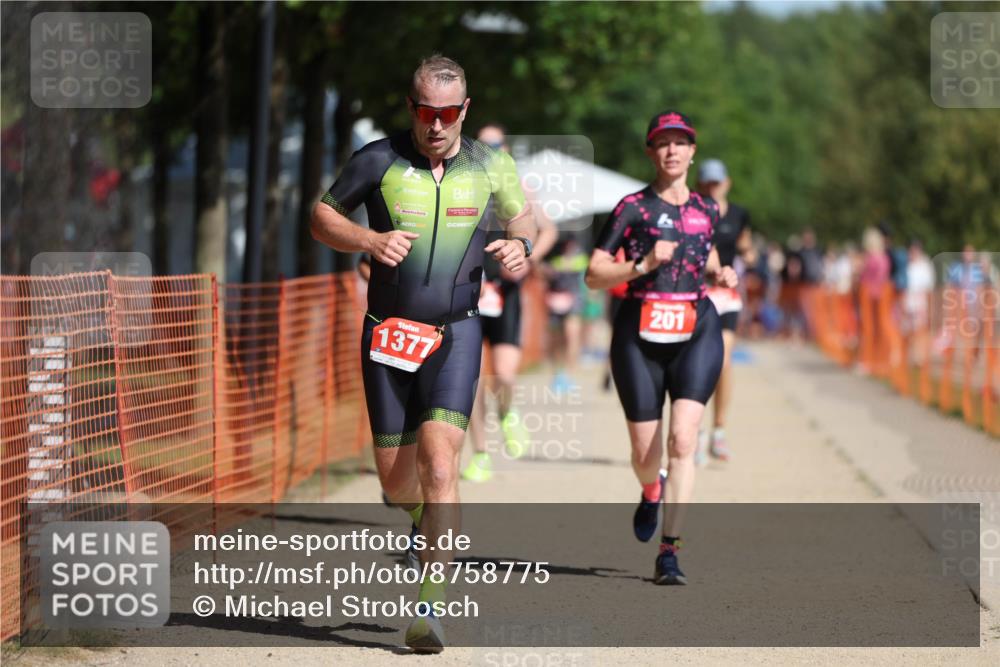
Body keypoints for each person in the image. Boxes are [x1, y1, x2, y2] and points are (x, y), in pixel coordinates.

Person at [310, 55, 536, 653]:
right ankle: (419, 521)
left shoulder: (491, 164)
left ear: (465, 111)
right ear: (411, 107)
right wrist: (368, 239)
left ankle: (430, 611)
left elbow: (526, 216)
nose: (435, 125)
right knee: (396, 481)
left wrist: (522, 245)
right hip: (388, 334)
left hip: (456, 333)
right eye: (423, 112)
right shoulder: (378, 160)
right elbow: (321, 215)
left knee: (441, 464)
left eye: (446, 113)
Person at [584, 111, 737, 585]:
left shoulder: (708, 210)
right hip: (639, 329)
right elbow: (593, 274)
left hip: (696, 327)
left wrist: (719, 274)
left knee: (683, 441)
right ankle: (652, 489)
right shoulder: (632, 207)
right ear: (652, 153)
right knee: (646, 453)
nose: (672, 150)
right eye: (662, 143)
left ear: (693, 151)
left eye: (680, 142)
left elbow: (706, 256)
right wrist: (642, 264)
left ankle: (669, 551)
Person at [462, 123, 557, 483]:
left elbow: (548, 230)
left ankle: (506, 412)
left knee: (503, 374)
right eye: (482, 146)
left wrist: (528, 257)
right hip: (468, 292)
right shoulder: (462, 185)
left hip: (505, 292)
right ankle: (481, 454)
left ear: (506, 150)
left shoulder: (517, 187)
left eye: (496, 146)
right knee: (469, 381)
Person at [695, 158, 751, 462]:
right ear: (699, 184)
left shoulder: (739, 214)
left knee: (723, 361)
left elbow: (745, 243)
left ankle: (718, 429)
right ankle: (697, 429)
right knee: (699, 362)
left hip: (727, 295)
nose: (712, 188)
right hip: (699, 293)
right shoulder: (691, 211)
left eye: (717, 182)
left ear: (726, 183)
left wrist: (750, 253)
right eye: (707, 183)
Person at [545, 236, 589, 393]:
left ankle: (568, 375)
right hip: (555, 302)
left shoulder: (581, 258)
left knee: (572, 338)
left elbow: (585, 272)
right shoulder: (553, 258)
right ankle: (558, 373)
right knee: (556, 341)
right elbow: (544, 273)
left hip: (574, 303)